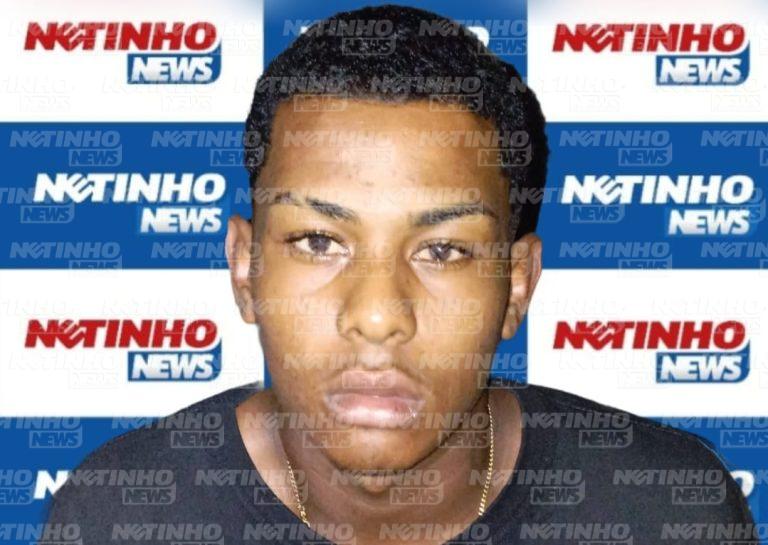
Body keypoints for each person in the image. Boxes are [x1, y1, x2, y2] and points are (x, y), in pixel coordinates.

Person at [45, 4, 756, 545]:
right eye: (318, 240)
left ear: (516, 285)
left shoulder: (668, 511)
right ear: (245, 267)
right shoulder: (119, 516)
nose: (379, 315)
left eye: (442, 250)